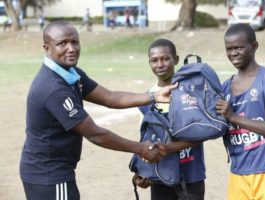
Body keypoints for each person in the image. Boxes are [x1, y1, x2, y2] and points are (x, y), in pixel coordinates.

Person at [19, 21, 177, 200]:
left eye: (75, 42)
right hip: (48, 173)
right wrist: (140, 148)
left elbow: (110, 97)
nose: (71, 48)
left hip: (53, 170)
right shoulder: (53, 87)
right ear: (47, 48)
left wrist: (154, 96)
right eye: (62, 43)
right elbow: (95, 134)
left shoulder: (71, 73)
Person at [216, 23, 265, 200]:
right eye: (229, 49)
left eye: (239, 47)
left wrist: (233, 116)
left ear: (254, 46)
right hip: (239, 173)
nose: (233, 53)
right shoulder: (224, 88)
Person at [133, 39, 206, 200]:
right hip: (161, 175)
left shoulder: (191, 93)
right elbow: (147, 140)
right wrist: (143, 169)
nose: (160, 64)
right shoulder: (145, 101)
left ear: (176, 59)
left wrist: (168, 147)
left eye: (165, 59)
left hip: (191, 174)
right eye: (154, 60)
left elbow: (201, 133)